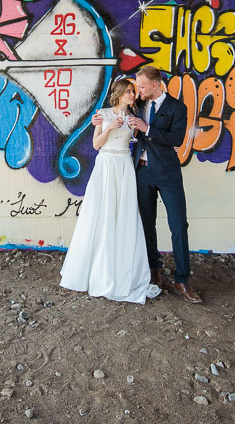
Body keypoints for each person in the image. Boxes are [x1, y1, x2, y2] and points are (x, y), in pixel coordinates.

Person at [59, 78, 162, 304]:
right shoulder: (104, 114)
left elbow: (137, 140)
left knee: (123, 214)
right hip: (106, 165)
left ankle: (124, 268)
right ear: (118, 94)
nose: (132, 95)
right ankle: (96, 269)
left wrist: (134, 131)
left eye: (133, 92)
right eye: (128, 92)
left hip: (124, 165)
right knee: (101, 213)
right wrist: (109, 128)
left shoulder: (134, 117)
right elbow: (96, 144)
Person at [126, 65, 203, 304]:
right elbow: (117, 109)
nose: (138, 90)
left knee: (179, 224)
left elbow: (176, 139)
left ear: (155, 85)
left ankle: (182, 279)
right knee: (147, 223)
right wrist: (102, 118)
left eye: (141, 87)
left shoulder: (177, 107)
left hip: (168, 173)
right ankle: (154, 270)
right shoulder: (137, 105)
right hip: (142, 172)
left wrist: (147, 128)